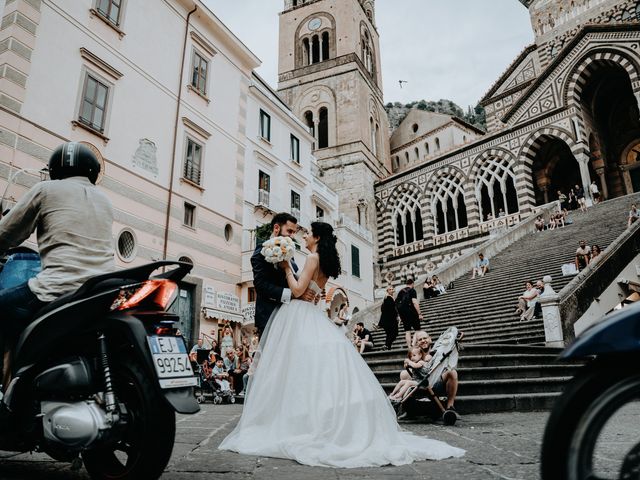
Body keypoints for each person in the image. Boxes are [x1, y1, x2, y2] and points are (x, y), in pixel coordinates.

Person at [219, 222, 464, 466]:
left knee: (295, 370)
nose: (303, 238)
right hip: (312, 315)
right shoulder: (324, 262)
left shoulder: (312, 258)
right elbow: (313, 292)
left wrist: (285, 268)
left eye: (307, 235)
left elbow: (296, 290)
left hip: (298, 314)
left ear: (316, 237)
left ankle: (299, 421)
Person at [0, 142, 114, 381]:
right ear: (92, 170)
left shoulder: (46, 190)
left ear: (54, 168)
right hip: (100, 291)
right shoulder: (104, 201)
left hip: (57, 288)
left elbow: (7, 234)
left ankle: (10, 384)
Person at [251, 212, 318, 339]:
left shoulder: (290, 255)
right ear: (276, 228)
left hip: (288, 317)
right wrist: (294, 295)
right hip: (269, 317)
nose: (292, 236)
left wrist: (309, 291)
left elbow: (295, 279)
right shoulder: (261, 252)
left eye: (294, 232)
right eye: (289, 231)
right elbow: (260, 285)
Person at [395, 278, 423, 349]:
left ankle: (409, 346)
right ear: (412, 284)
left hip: (403, 313)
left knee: (407, 331)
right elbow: (415, 302)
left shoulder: (401, 291)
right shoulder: (412, 290)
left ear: (406, 284)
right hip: (412, 312)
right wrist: (419, 313)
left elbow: (397, 304)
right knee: (417, 329)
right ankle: (413, 344)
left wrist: (399, 315)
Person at [378, 286, 398, 350]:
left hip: (388, 320)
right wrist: (397, 316)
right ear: (387, 291)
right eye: (390, 289)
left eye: (392, 289)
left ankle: (387, 346)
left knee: (390, 334)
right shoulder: (388, 298)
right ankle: (387, 345)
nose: (392, 290)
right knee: (394, 333)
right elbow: (392, 309)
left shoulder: (388, 298)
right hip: (390, 320)